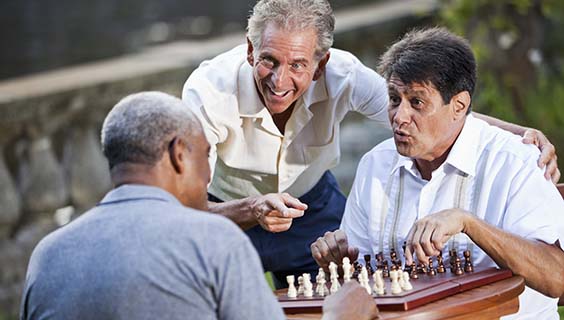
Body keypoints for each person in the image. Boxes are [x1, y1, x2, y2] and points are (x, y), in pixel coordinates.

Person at [182, 0, 560, 287]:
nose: (280, 80)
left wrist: (517, 134)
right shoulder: (208, 92)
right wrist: (250, 208)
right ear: (250, 52)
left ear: (320, 63)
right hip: (222, 209)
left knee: (330, 297)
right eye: (268, 60)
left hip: (308, 203)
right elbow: (183, 211)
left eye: (297, 65)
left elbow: (432, 110)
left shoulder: (343, 73)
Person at [19, 92, 379, 320]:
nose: (209, 173)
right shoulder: (213, 241)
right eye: (207, 157)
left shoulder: (47, 255)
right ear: (179, 154)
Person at [311, 28, 564, 319]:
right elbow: (363, 280)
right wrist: (341, 261)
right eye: (394, 99)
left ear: (459, 106)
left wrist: (469, 223)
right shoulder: (375, 164)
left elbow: (557, 277)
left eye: (417, 102)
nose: (399, 117)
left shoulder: (515, 162)